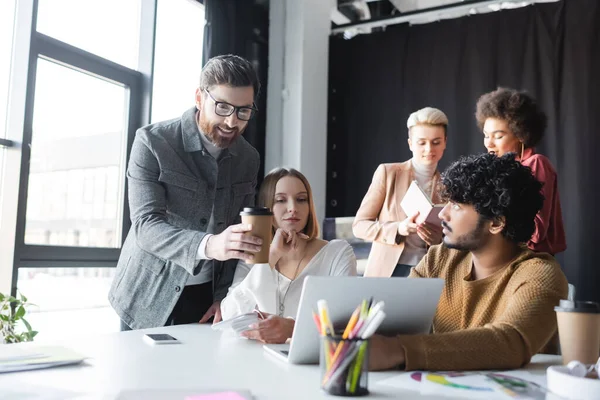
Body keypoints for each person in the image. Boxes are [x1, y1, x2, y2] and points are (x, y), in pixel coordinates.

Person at [368, 153, 568, 371]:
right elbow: (398, 311)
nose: (442, 214)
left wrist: (398, 350)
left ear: (496, 223)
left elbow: (511, 342)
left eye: (456, 206)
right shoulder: (439, 258)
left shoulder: (541, 275)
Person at [109, 55, 264, 330]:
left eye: (243, 111)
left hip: (207, 297)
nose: (232, 122)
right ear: (199, 97)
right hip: (147, 294)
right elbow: (146, 226)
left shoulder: (248, 158)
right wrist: (209, 245)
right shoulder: (153, 142)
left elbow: (240, 231)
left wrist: (226, 294)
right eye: (223, 107)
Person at [221, 168, 357, 344]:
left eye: (301, 200)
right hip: (255, 362)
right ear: (267, 207)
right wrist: (271, 256)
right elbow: (229, 315)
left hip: (311, 363)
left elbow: (346, 321)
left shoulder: (337, 253)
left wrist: (293, 327)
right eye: (281, 200)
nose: (293, 208)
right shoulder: (254, 255)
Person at [353, 107, 448, 277]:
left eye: (436, 142)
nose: (429, 149)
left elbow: (452, 240)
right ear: (410, 143)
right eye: (422, 142)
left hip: (426, 271)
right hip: (386, 270)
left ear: (445, 143)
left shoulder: (448, 186)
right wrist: (398, 228)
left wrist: (438, 241)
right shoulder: (388, 173)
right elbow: (359, 226)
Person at [476, 87, 566, 255]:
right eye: (486, 135)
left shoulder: (536, 164)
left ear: (521, 135)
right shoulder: (496, 168)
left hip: (531, 259)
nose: (489, 143)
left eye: (498, 136)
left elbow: (536, 232)